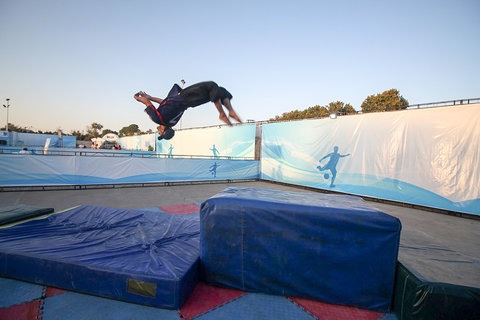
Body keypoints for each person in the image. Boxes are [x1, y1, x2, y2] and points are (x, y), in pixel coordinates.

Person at [134, 81, 242, 140]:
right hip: (186, 96)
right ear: (162, 130)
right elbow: (147, 103)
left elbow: (164, 102)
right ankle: (223, 114)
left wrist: (150, 97)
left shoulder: (173, 122)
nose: (158, 131)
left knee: (219, 90)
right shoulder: (158, 118)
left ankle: (230, 112)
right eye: (159, 132)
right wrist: (138, 98)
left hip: (192, 103)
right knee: (212, 86)